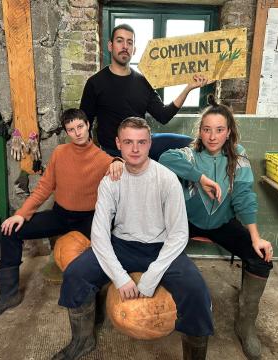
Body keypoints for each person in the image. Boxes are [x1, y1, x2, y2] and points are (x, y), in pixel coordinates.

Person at [53, 117, 213, 360]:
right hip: (122, 245)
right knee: (76, 273)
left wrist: (150, 278)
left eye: (141, 142)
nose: (135, 149)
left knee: (197, 291)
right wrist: (119, 278)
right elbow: (99, 233)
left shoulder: (167, 179)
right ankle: (81, 341)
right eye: (128, 142)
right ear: (118, 143)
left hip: (161, 248)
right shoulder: (110, 181)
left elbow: (179, 233)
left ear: (150, 144)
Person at [0, 108, 124, 320]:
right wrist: (21, 214)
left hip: (89, 220)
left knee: (105, 254)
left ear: (88, 126)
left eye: (80, 127)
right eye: (71, 129)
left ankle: (93, 300)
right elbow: (44, 188)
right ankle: (8, 295)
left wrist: (118, 161)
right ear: (67, 132)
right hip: (60, 215)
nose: (77, 133)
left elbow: (118, 165)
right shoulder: (59, 153)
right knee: (10, 231)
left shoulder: (103, 159)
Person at [159, 95, 273, 360]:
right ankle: (162, 307)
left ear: (229, 131)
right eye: (207, 129)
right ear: (200, 131)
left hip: (222, 223)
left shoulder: (239, 157)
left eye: (219, 130)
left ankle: (245, 326)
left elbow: (245, 196)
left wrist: (256, 237)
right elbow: (164, 158)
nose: (212, 136)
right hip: (186, 221)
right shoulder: (189, 153)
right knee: (156, 251)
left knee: (261, 259)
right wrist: (200, 177)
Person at [80, 23, 208, 161]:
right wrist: (96, 158)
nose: (125, 46)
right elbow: (84, 125)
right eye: (120, 41)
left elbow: (163, 115)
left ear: (134, 49)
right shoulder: (95, 83)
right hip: (112, 153)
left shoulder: (143, 82)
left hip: (141, 146)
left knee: (190, 143)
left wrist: (188, 87)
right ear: (110, 46)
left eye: (129, 42)